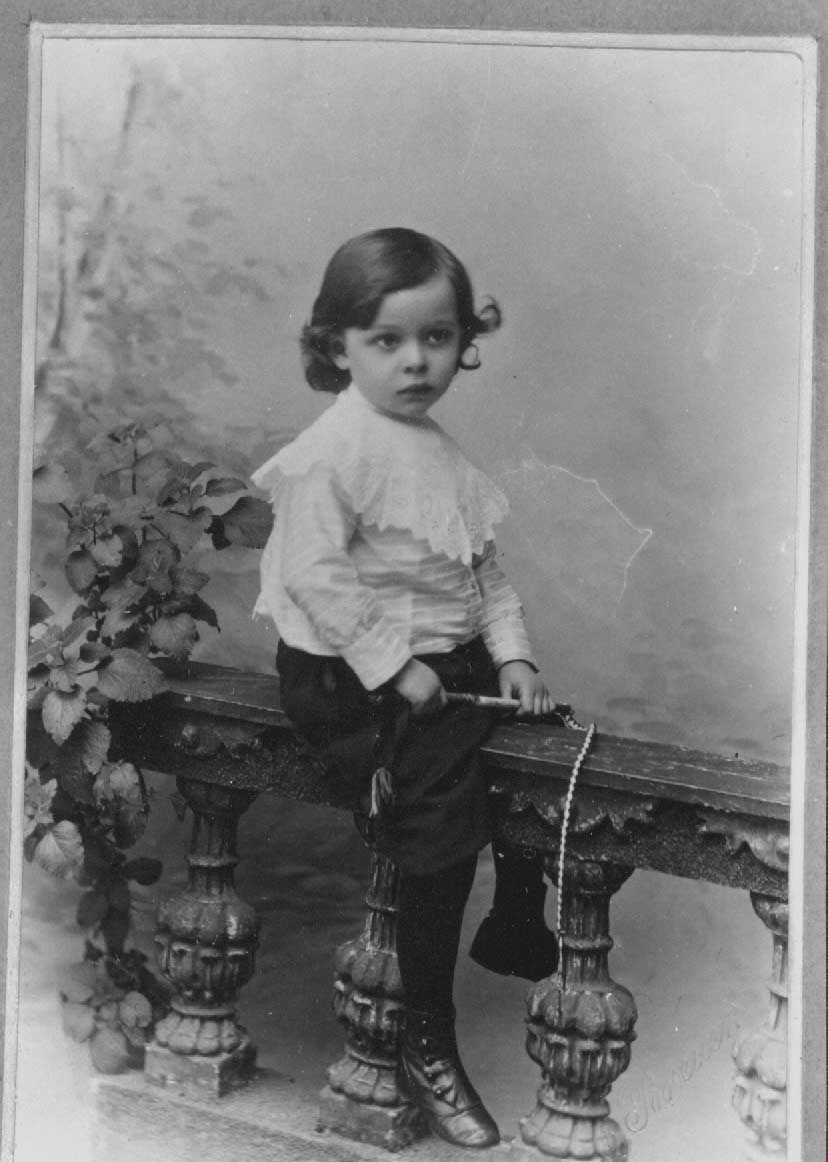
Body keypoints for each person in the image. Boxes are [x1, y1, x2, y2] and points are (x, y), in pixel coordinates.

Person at [252, 227, 560, 1149]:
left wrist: (514, 659)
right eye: (386, 341)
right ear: (338, 346)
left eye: (436, 337)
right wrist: (392, 664)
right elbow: (313, 576)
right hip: (346, 675)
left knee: (547, 742)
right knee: (437, 808)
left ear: (465, 340)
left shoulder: (442, 456)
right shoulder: (333, 451)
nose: (415, 361)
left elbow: (482, 573)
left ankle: (515, 922)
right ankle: (429, 1036)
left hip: (437, 663)